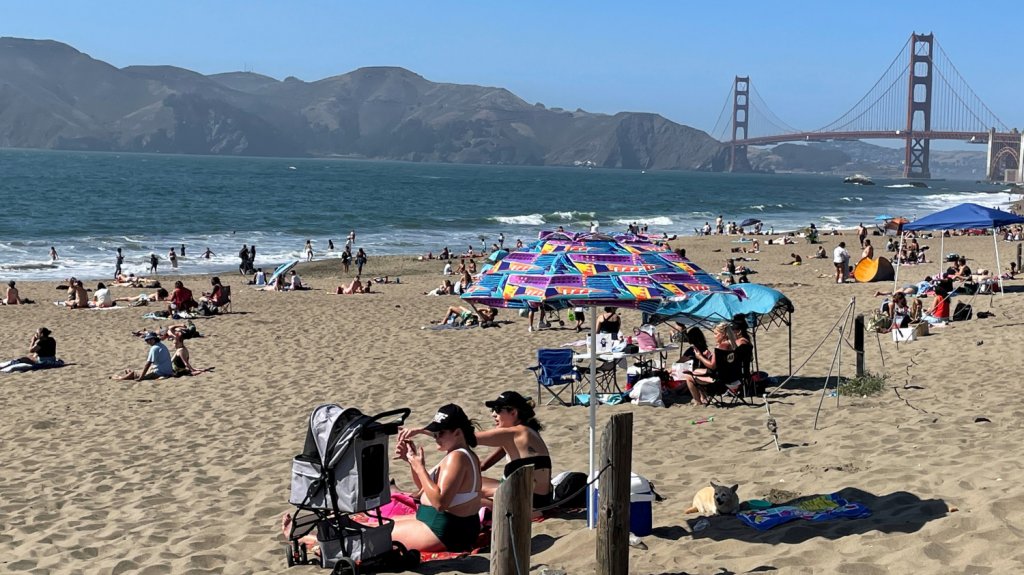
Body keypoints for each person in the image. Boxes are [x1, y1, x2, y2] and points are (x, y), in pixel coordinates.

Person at [390, 404, 482, 553]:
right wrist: (412, 462)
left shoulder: (457, 457)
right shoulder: (459, 454)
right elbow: (424, 490)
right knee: (383, 524)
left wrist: (420, 468)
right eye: (435, 433)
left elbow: (440, 503)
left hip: (445, 531)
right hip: (443, 524)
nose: (436, 438)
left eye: (440, 433)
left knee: (376, 534)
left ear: (458, 432)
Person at [682, 322, 736, 406]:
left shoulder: (721, 347)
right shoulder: (732, 345)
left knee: (689, 376)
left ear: (723, 334)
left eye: (716, 334)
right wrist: (709, 356)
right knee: (695, 371)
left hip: (719, 380)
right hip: (731, 376)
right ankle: (703, 397)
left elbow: (712, 366)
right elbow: (719, 362)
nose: (714, 336)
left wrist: (700, 357)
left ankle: (698, 402)